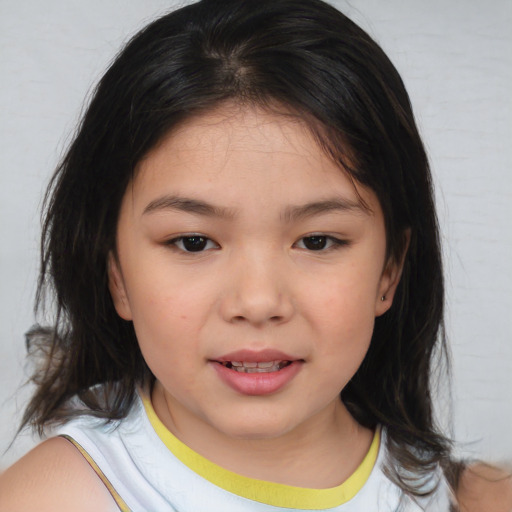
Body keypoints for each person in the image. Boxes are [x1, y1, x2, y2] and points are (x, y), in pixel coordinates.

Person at [0, 0, 510, 510]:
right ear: (116, 274)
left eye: (317, 241)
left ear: (389, 270)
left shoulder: (470, 498)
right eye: (194, 242)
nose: (259, 301)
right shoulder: (50, 498)